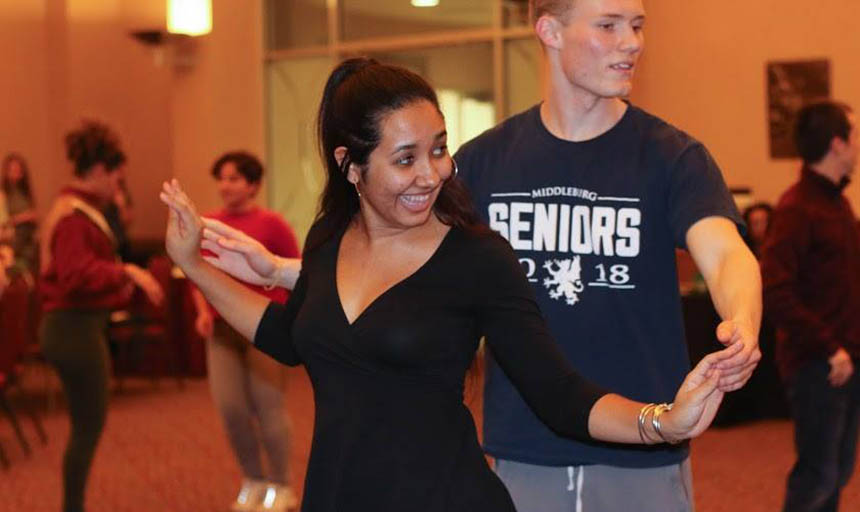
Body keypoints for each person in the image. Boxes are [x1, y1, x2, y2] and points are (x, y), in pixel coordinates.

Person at [161, 58, 739, 512]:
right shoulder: (329, 237)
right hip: (338, 495)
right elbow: (288, 337)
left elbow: (560, 396)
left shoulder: (477, 258)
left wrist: (663, 421)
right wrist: (196, 266)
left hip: (444, 498)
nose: (431, 173)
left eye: (438, 149)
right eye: (405, 158)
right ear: (350, 165)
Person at [449, 1, 763, 510]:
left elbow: (727, 253)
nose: (632, 42)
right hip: (524, 449)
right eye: (609, 25)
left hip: (644, 447)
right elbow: (414, 266)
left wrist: (742, 323)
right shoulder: (485, 161)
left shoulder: (674, 156)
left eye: (637, 26)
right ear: (549, 30)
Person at [39, 120, 164, 512]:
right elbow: (76, 276)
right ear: (97, 172)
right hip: (72, 329)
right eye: (117, 178)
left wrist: (119, 283)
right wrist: (125, 272)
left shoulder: (79, 211)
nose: (118, 188)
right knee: (88, 425)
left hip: (76, 327)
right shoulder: (75, 218)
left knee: (87, 424)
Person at [760, 101, 860, 512]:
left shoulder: (838, 204)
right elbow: (775, 289)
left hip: (845, 360)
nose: (857, 146)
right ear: (837, 144)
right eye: (854, 137)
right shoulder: (797, 207)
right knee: (817, 477)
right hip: (818, 365)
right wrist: (828, 347)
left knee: (837, 471)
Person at [190, 151, 300, 512]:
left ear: (252, 185)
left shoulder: (273, 224)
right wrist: (202, 311)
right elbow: (197, 272)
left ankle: (281, 486)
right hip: (222, 329)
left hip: (263, 326)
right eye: (221, 178)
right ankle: (253, 479)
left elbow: (294, 272)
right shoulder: (208, 224)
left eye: (234, 178)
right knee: (231, 410)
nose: (226, 186)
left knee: (269, 408)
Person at [1, 153, 39, 277]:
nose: (15, 174)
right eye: (12, 170)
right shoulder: (3, 195)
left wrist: (31, 218)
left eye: (18, 170)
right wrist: (21, 218)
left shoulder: (25, 195)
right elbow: (4, 222)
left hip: (27, 244)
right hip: (10, 242)